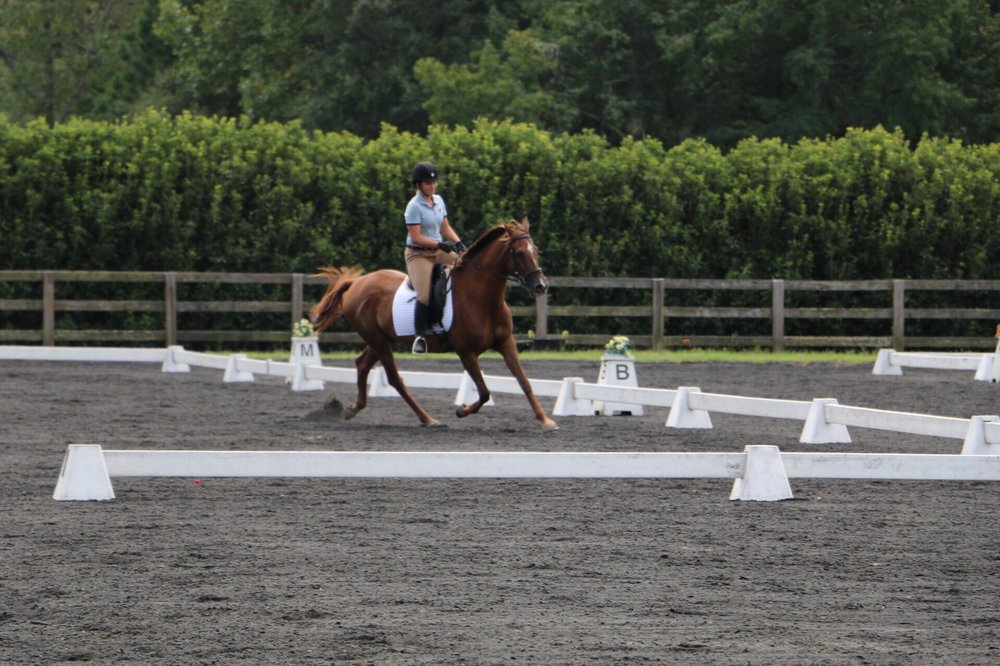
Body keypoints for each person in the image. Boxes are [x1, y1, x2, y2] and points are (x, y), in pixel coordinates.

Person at [404, 161, 466, 354]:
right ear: (418, 185)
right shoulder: (413, 206)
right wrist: (439, 244)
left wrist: (458, 243)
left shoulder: (438, 200)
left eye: (434, 182)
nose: (432, 186)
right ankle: (420, 337)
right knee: (423, 295)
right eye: (427, 183)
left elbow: (445, 227)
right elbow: (416, 236)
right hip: (418, 254)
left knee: (466, 265)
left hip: (439, 251)